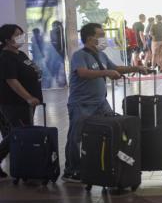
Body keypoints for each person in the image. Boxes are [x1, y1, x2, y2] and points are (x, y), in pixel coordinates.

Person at [62, 23, 148, 183]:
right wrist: (106, 72)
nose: (104, 38)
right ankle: (72, 170)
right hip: (82, 103)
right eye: (101, 35)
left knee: (111, 129)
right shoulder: (79, 55)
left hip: (100, 102)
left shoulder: (101, 55)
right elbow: (83, 73)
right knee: (76, 137)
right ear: (90, 38)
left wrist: (134, 68)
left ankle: (105, 164)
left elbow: (114, 68)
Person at [0, 24, 43, 179]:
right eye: (17, 34)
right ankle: (26, 169)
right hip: (14, 103)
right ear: (7, 39)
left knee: (19, 132)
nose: (21, 36)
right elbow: (12, 81)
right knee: (19, 133)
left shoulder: (21, 54)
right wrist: (28, 97)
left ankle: (26, 167)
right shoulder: (6, 57)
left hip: (27, 103)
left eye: (21, 33)